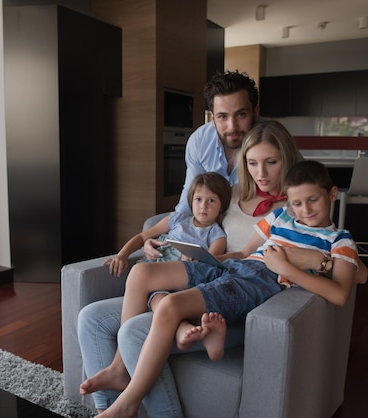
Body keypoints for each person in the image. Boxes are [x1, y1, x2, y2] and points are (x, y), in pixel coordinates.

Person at [78, 120, 316, 416]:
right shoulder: (232, 192)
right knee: (91, 318)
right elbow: (190, 216)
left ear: (287, 159)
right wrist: (154, 240)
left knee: (134, 333)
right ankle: (106, 402)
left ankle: (131, 401)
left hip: (237, 297)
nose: (261, 173)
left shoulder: (301, 206)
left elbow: (322, 251)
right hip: (205, 272)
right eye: (253, 163)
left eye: (271, 162)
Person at [96, 160, 361, 418]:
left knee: (169, 305)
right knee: (141, 272)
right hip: (235, 267)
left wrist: (286, 267)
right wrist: (208, 258)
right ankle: (120, 368)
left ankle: (128, 404)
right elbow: (245, 252)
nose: (305, 210)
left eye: (313, 200)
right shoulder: (280, 216)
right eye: (297, 203)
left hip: (258, 282)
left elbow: (340, 294)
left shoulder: (339, 240)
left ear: (332, 194)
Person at [104, 172, 232, 278]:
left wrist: (193, 261)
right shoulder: (176, 219)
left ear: (222, 205)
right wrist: (122, 255)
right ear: (191, 201)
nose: (203, 206)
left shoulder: (217, 236)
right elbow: (142, 237)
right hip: (148, 269)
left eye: (211, 200)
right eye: (198, 199)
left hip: (175, 276)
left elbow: (208, 267)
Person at [174, 70, 259, 214]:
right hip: (211, 219)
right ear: (212, 118)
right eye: (222, 117)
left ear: (255, 113)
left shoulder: (274, 141)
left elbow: (299, 188)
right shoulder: (200, 141)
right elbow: (191, 194)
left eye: (241, 114)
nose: (232, 126)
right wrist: (176, 231)